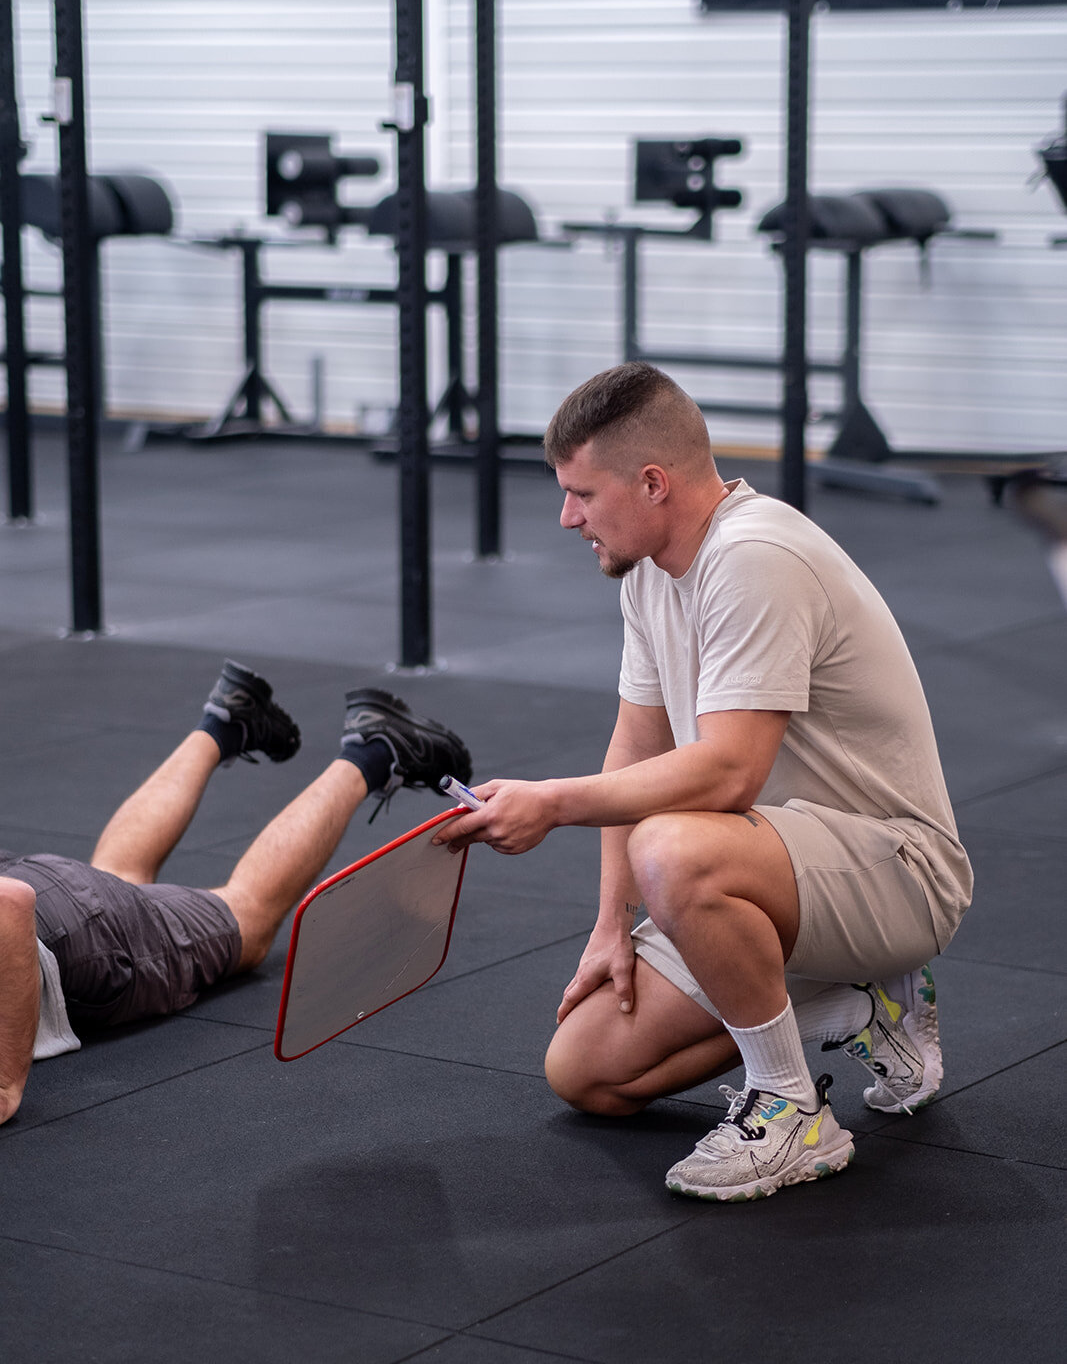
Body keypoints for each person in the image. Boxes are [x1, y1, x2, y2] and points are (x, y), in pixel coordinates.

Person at [436, 361, 972, 1203]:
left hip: (897, 873)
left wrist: (551, 804)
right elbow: (633, 746)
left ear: (652, 482)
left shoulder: (755, 557)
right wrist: (609, 924)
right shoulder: (648, 568)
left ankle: (792, 1112)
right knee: (586, 1072)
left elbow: (726, 772)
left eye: (581, 492)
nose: (566, 515)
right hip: (778, 870)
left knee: (675, 845)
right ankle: (861, 1011)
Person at [0, 661, 471, 1125]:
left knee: (246, 917)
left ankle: (374, 750)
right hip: (59, 903)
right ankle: (226, 720)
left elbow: (9, 905)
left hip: (63, 934)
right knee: (115, 882)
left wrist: (5, 1084)